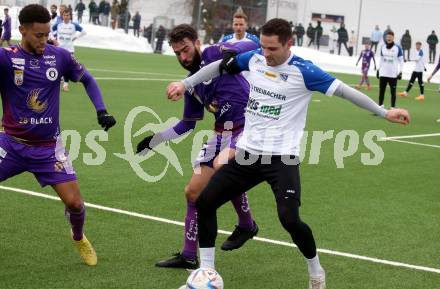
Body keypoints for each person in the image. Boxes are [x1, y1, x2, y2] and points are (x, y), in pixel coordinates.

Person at [167, 18, 410, 289]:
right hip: (247, 154)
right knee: (204, 202)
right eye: (263, 47)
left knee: (289, 219)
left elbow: (345, 91)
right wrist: (186, 83)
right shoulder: (255, 57)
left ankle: (316, 270)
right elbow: (218, 68)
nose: (265, 54)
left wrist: (384, 112)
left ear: (288, 44)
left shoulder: (304, 71)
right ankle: (207, 274)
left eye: (272, 49)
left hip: (281, 158)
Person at [0, 4, 116, 266]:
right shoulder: (6, 58)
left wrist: (101, 110)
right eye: (38, 35)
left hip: (48, 148)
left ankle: (78, 237)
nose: (44, 40)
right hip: (11, 144)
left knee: (75, 204)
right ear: (22, 31)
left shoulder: (59, 56)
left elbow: (88, 79)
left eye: (46, 34)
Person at [137, 24, 259, 269]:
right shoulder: (190, 85)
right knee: (193, 192)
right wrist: (155, 140)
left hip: (247, 127)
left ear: (197, 42)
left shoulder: (215, 53)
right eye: (178, 53)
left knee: (222, 166)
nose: (183, 57)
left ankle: (246, 224)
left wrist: (230, 53)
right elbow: (187, 125)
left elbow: (253, 45)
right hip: (221, 134)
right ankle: (189, 255)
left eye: (186, 49)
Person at [52, 10, 86, 92]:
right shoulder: (58, 24)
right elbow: (50, 30)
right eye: (64, 15)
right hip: (59, 49)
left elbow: (84, 32)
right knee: (57, 65)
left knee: (67, 67)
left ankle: (65, 85)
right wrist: (53, 39)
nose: (66, 17)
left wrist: (76, 37)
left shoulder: (73, 25)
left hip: (69, 49)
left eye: (67, 15)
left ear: (70, 16)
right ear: (62, 16)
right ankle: (57, 82)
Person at [377, 31, 404, 108]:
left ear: (393, 38)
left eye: (390, 37)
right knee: (381, 91)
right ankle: (380, 107)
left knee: (393, 92)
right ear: (385, 38)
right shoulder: (382, 47)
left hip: (393, 75)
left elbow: (401, 61)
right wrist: (378, 70)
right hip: (383, 73)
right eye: (387, 37)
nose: (388, 38)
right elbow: (381, 59)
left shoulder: (397, 48)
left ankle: (392, 108)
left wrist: (401, 72)